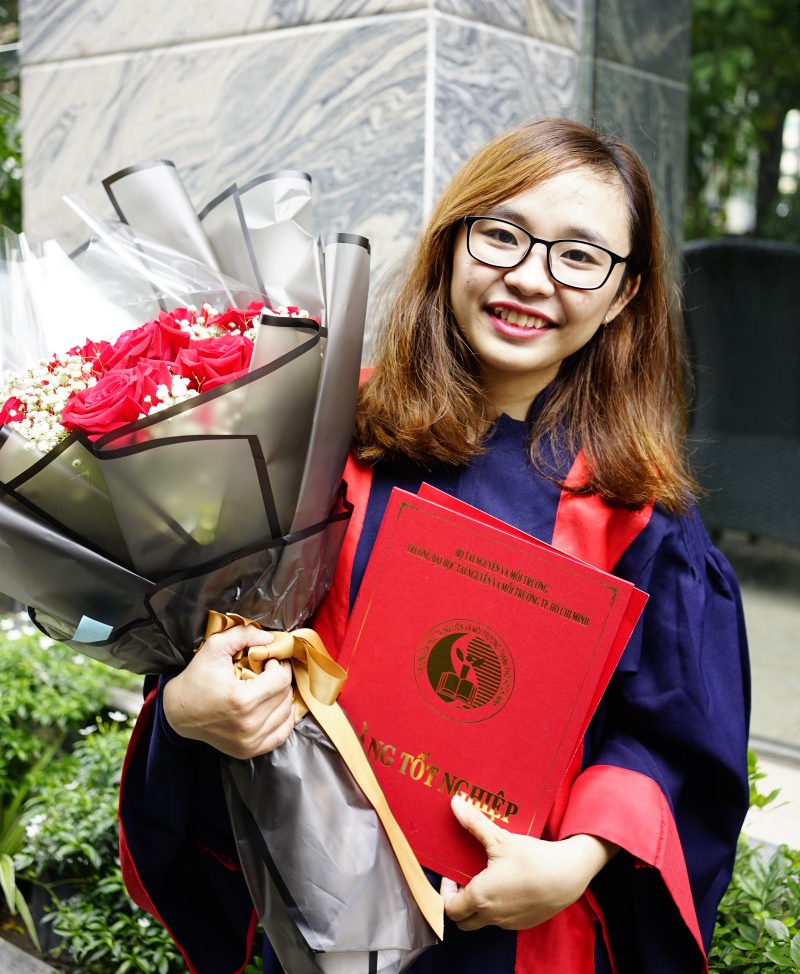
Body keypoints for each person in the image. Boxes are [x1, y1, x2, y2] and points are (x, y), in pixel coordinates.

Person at [119, 118, 750, 974]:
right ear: (452, 241)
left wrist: (578, 858)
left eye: (579, 255)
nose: (529, 277)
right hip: (314, 902)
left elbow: (672, 739)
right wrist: (186, 708)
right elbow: (211, 639)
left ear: (623, 295)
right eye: (503, 234)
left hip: (514, 935)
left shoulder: (635, 515)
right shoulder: (322, 433)